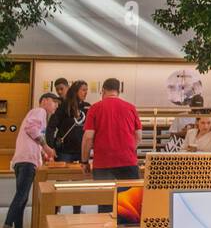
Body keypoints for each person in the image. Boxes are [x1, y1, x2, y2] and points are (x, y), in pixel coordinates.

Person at [0, 93, 58, 228]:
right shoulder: (39, 111)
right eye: (54, 103)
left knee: (23, 198)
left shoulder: (38, 115)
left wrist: (44, 154)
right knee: (20, 197)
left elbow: (33, 137)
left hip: (23, 160)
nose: (55, 106)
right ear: (45, 101)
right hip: (26, 162)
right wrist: (46, 147)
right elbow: (31, 129)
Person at [81, 80, 142, 214]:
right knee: (130, 207)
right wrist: (128, 150)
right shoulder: (131, 107)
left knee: (105, 205)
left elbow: (88, 137)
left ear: (103, 90)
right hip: (128, 162)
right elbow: (138, 136)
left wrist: (84, 161)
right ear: (118, 91)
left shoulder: (95, 108)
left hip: (103, 164)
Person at [46, 80, 89, 164]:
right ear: (76, 91)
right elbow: (51, 127)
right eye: (83, 90)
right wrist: (51, 147)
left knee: (81, 176)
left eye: (87, 90)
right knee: (62, 176)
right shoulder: (64, 106)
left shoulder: (87, 106)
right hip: (64, 151)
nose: (86, 92)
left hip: (82, 150)